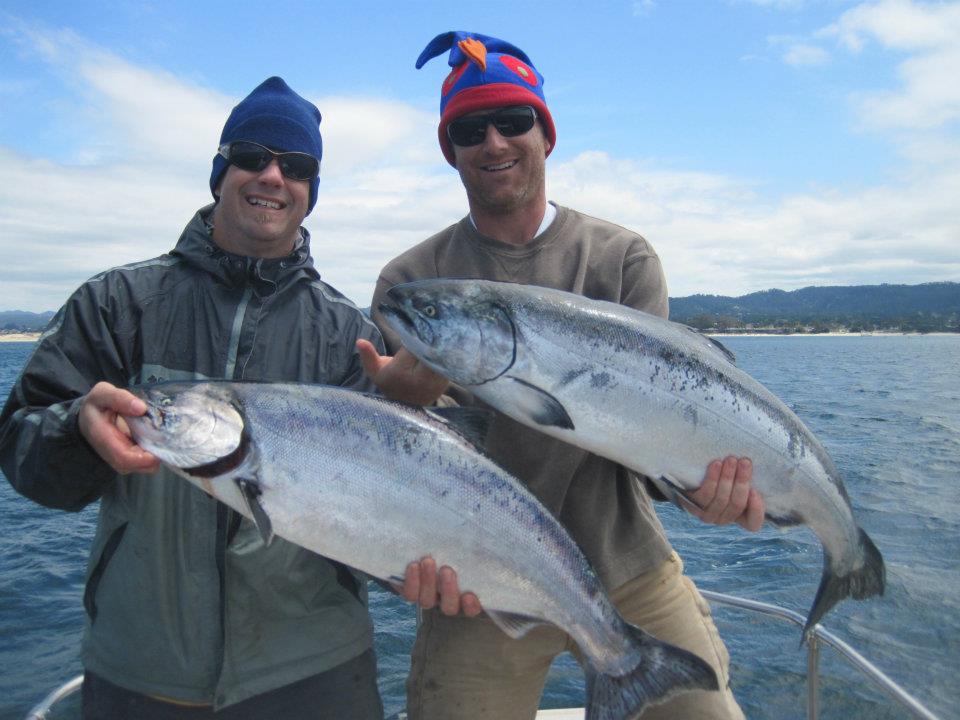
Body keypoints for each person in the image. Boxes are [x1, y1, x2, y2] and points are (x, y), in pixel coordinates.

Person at [0, 76, 470, 720]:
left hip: (317, 671)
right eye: (253, 155)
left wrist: (412, 571)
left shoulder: (349, 338)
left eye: (296, 165)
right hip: (140, 671)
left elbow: (390, 502)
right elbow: (23, 455)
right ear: (220, 172)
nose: (273, 175)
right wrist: (77, 432)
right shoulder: (115, 305)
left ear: (311, 191)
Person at [359, 32, 766, 720]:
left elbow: (652, 438)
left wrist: (700, 488)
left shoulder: (622, 260)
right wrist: (406, 393)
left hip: (627, 562)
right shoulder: (410, 285)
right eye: (468, 128)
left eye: (513, 121)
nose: (493, 142)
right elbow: (401, 462)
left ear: (545, 134)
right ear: (450, 149)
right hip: (479, 578)